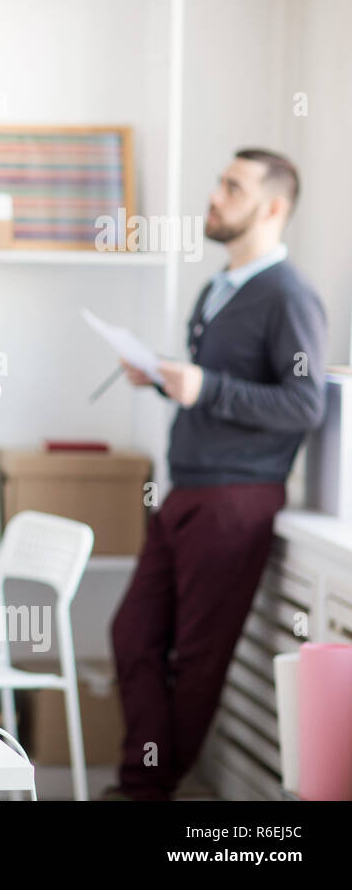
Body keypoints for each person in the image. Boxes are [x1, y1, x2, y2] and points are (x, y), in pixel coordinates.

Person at [108, 148, 326, 800]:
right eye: (220, 182)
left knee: (195, 662)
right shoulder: (219, 289)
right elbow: (218, 392)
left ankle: (142, 790)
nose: (216, 196)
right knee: (132, 634)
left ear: (273, 207)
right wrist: (164, 380)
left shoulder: (289, 296)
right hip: (189, 492)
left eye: (233, 187)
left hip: (236, 500)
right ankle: (143, 782)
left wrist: (205, 387)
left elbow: (304, 403)